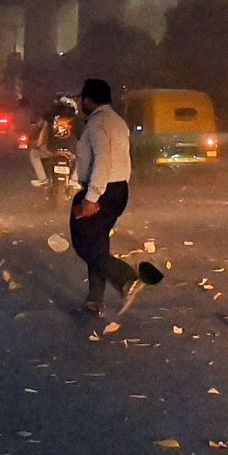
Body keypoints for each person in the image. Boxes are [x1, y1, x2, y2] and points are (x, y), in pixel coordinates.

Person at [69, 78, 152, 317]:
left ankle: (126, 277)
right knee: (97, 241)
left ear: (88, 100)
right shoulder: (116, 121)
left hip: (102, 190)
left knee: (83, 242)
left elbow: (103, 160)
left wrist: (91, 196)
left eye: (82, 99)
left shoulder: (97, 124)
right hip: (119, 190)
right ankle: (94, 300)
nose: (80, 103)